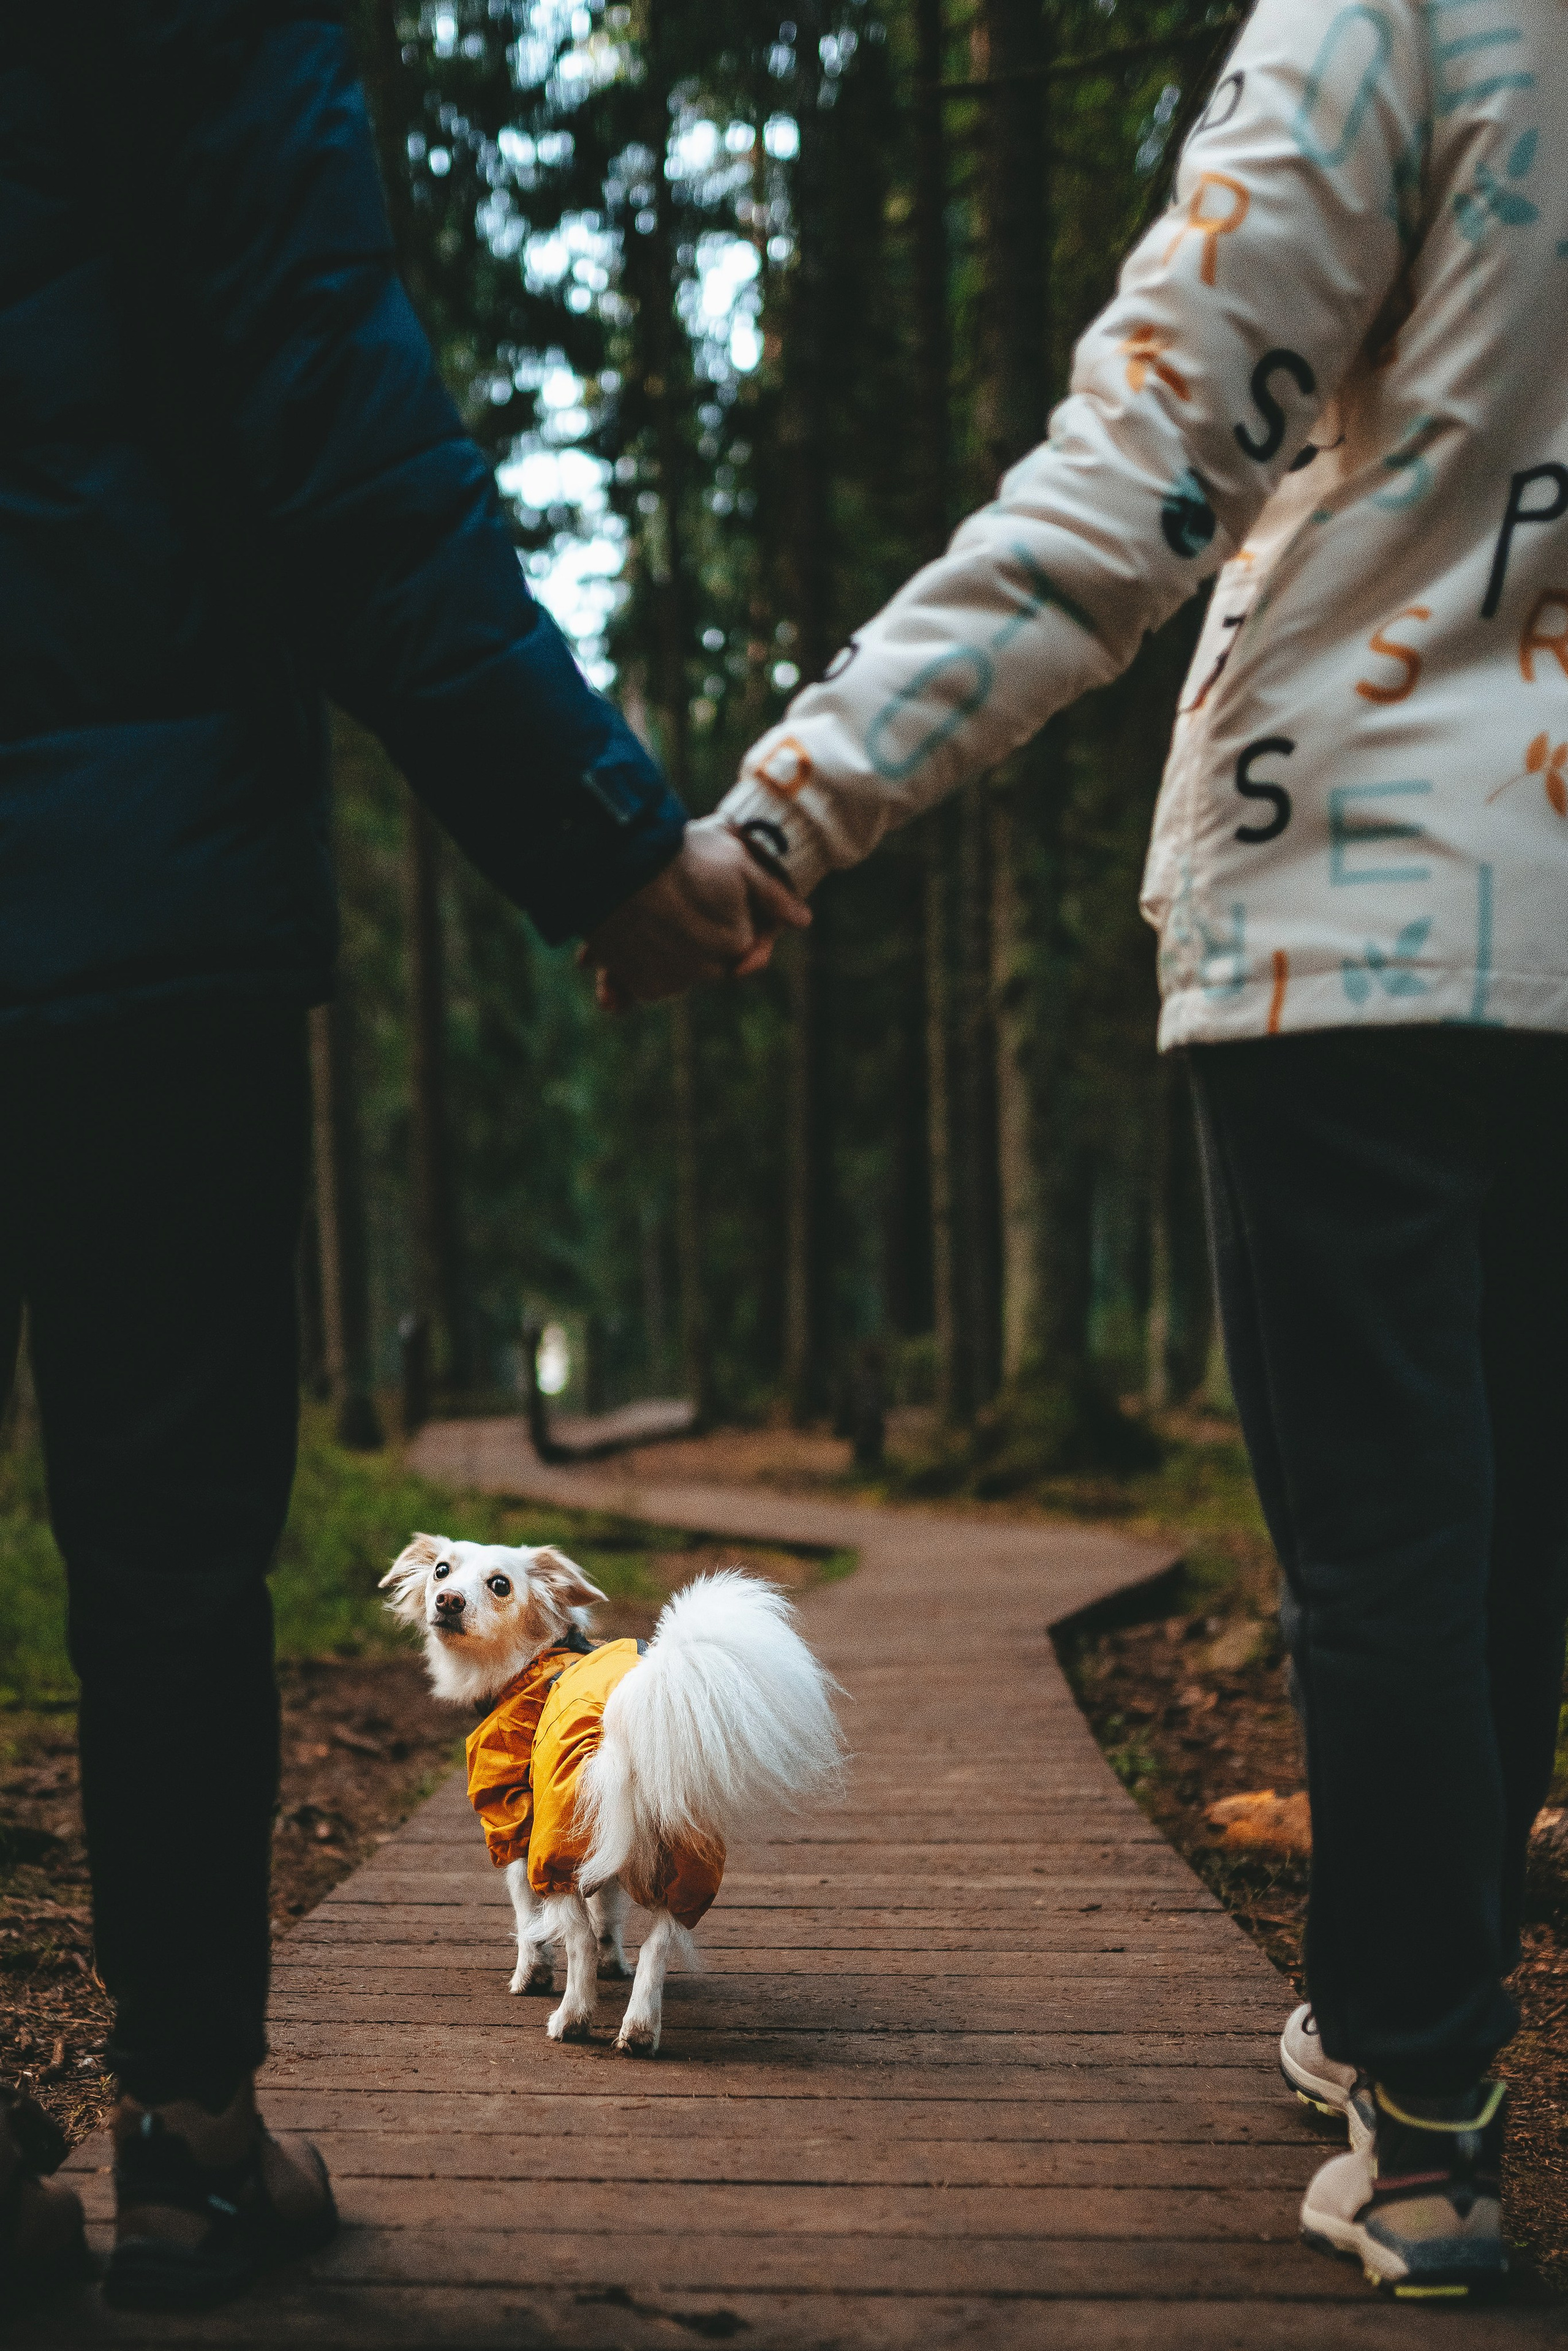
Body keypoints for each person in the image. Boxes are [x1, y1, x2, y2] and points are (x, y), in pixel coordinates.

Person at [617, 0, 1568, 2302]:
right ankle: (1401, 2032)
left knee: (1387, 1533)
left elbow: (1140, 465)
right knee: (1517, 1511)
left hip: (1357, 908)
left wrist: (781, 816)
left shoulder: (1395, 20)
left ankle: (1431, 2122)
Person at [0, 0, 802, 2313]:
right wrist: (603, 843)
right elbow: (336, 429)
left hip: (143, 890)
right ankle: (191, 2139)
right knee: (168, 1554)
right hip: (140, 912)